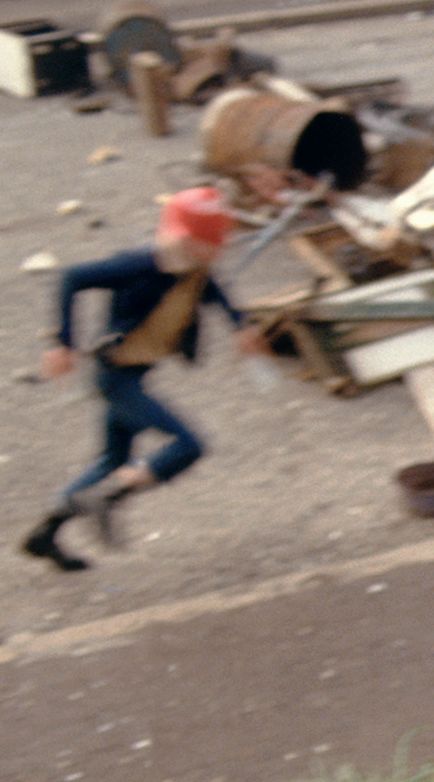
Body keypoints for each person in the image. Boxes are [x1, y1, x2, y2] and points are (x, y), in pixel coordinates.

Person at [21, 187, 259, 571]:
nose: (221, 249)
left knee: (114, 460)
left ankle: (44, 534)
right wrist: (61, 343)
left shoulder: (196, 269)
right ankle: (106, 499)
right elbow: (71, 278)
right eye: (213, 242)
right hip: (115, 378)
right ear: (187, 240)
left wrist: (239, 325)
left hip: (135, 374)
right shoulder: (137, 266)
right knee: (189, 445)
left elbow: (215, 291)